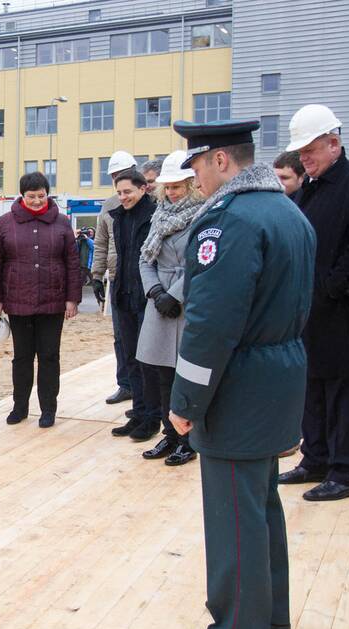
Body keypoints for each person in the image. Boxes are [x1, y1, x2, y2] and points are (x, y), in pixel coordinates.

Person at [162, 119, 315, 629]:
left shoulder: (231, 221)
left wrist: (185, 401)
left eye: (197, 165)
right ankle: (268, 611)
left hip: (240, 384)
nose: (194, 177)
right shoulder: (288, 212)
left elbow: (210, 325)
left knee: (233, 515)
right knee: (260, 503)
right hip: (279, 374)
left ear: (221, 160)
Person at [276, 105, 349, 502]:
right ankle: (315, 457)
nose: (304, 159)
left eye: (310, 151)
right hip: (309, 311)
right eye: (300, 154)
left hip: (344, 312)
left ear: (334, 144)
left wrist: (333, 288)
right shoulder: (309, 190)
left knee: (344, 393)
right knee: (311, 388)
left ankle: (347, 471)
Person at [0, 171, 81, 428]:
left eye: (41, 196)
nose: (37, 201)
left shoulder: (62, 222)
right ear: (22, 196)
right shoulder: (6, 223)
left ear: (47, 194)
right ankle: (20, 407)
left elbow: (72, 263)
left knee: (49, 356)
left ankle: (48, 409)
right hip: (18, 302)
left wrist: (72, 298)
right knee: (22, 357)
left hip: (52, 302)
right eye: (31, 197)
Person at [136, 151, 204, 466]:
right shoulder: (160, 215)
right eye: (170, 187)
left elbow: (198, 262)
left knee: (184, 374)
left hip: (185, 303)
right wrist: (156, 291)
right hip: (160, 301)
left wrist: (174, 295)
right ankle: (170, 433)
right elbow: (144, 257)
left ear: (191, 184)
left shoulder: (202, 214)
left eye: (178, 186)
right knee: (162, 373)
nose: (173, 192)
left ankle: (188, 438)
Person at [108, 171, 161, 441]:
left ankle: (153, 417)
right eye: (119, 192)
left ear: (143, 189)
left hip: (146, 297)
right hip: (123, 295)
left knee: (147, 361)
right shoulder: (119, 217)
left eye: (127, 191)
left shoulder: (154, 215)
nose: (123, 197)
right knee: (130, 358)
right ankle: (138, 413)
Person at [91, 150, 138, 406]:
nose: (118, 179)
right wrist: (97, 276)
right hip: (117, 278)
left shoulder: (148, 202)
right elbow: (101, 243)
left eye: (123, 174)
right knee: (120, 336)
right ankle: (126, 384)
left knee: (143, 336)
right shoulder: (109, 206)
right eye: (115, 176)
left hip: (142, 280)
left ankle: (146, 387)